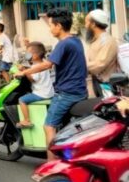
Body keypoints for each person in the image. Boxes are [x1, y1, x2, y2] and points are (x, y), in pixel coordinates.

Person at [16, 8, 88, 160]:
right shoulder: (76, 40)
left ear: (59, 26)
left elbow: (46, 65)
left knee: (48, 126)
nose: (49, 29)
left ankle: (51, 167)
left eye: (50, 25)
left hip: (66, 94)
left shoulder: (63, 44)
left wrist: (24, 72)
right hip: (80, 91)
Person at [16, 42, 55, 128]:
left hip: (42, 94)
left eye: (28, 53)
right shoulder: (43, 63)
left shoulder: (35, 67)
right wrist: (26, 69)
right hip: (49, 92)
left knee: (22, 100)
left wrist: (24, 72)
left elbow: (33, 79)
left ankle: (26, 120)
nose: (27, 55)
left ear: (36, 55)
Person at [85, 9, 119, 97]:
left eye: (87, 22)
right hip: (97, 82)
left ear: (93, 24)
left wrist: (81, 66)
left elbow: (100, 64)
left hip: (107, 84)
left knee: (109, 108)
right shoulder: (95, 41)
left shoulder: (108, 41)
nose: (85, 26)